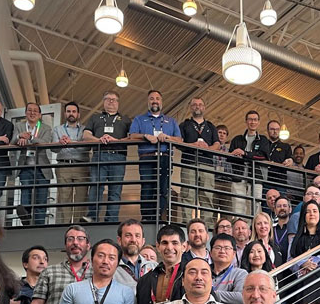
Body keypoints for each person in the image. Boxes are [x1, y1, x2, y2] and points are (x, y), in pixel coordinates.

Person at [24, 226, 91, 304]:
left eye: (80, 239)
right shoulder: (49, 272)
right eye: (70, 239)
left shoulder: (96, 273)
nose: (75, 242)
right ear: (65, 245)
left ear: (88, 245)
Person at [129, 90, 182, 221]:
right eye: (152, 98)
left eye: (157, 98)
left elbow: (180, 140)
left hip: (165, 157)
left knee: (163, 188)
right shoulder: (139, 119)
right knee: (147, 187)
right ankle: (147, 218)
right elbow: (132, 136)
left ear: (161, 102)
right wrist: (145, 136)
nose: (155, 101)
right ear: (148, 102)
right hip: (147, 156)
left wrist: (168, 137)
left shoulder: (171, 121)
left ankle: (159, 216)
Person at [83, 89, 131, 223]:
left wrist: (116, 141)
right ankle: (92, 216)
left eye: (114, 99)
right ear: (103, 102)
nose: (111, 101)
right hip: (99, 155)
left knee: (115, 190)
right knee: (96, 186)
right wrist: (98, 140)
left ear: (118, 103)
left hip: (118, 157)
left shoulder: (125, 119)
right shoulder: (95, 118)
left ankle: (111, 219)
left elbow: (132, 137)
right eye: (108, 99)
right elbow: (86, 135)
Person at [178, 96, 220, 221]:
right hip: (189, 163)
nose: (197, 106)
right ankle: (186, 224)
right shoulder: (184, 125)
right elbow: (179, 143)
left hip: (207, 165)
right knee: (187, 195)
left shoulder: (211, 126)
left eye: (200, 104)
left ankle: (206, 227)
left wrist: (208, 148)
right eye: (195, 104)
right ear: (191, 108)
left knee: (207, 196)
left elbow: (217, 144)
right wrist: (194, 145)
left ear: (204, 108)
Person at [14, 102, 54, 226]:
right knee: (25, 193)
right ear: (25, 113)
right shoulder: (18, 126)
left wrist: (29, 138)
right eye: (29, 110)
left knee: (41, 201)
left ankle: (38, 226)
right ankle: (26, 220)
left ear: (40, 115)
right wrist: (19, 136)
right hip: (25, 166)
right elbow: (12, 141)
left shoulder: (46, 128)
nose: (32, 113)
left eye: (35, 111)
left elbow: (45, 142)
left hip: (42, 168)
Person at [229, 110, 272, 217]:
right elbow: (229, 157)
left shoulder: (262, 140)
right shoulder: (237, 139)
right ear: (246, 121)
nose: (252, 122)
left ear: (258, 122)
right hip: (238, 176)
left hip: (256, 177)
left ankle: (252, 230)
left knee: (255, 205)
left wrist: (245, 154)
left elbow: (263, 156)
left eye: (255, 120)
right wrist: (235, 154)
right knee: (238, 206)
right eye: (250, 119)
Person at [53, 101, 90, 223]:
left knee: (81, 195)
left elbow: (87, 147)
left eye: (74, 111)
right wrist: (60, 143)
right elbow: (53, 148)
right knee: (64, 196)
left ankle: (79, 224)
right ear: (65, 114)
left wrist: (72, 143)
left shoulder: (85, 129)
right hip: (63, 165)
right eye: (69, 111)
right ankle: (66, 224)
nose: (71, 114)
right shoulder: (57, 129)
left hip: (81, 165)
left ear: (78, 114)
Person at [209, 233, 248, 304]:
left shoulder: (240, 274)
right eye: (218, 247)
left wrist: (212, 294)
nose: (222, 251)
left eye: (226, 248)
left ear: (234, 254)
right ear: (210, 253)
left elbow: (242, 297)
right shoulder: (203, 272)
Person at [115, 218, 153, 286]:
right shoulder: (111, 268)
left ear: (143, 241)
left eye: (137, 236)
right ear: (119, 240)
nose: (133, 240)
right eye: (128, 235)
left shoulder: (154, 267)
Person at [272, 197, 292, 263]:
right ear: (275, 210)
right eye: (279, 206)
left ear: (290, 209)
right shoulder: (271, 230)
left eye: (285, 206)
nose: (282, 208)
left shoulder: (295, 229)